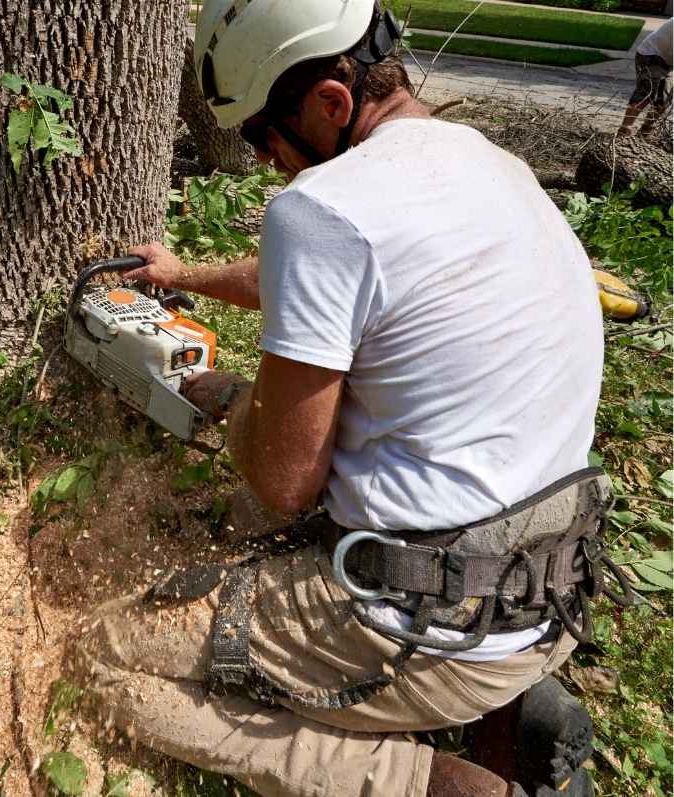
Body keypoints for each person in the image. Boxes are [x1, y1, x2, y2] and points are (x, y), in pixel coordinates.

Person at [71, 1, 633, 795]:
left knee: (106, 653)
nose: (264, 158)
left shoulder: (323, 209)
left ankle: (426, 778)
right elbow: (335, 286)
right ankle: (509, 712)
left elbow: (283, 479)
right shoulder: (486, 167)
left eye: (261, 133)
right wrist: (182, 277)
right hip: (540, 591)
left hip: (427, 621)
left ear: (330, 103)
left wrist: (237, 406)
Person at [618, 17, 672, 138]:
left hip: (667, 60)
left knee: (664, 98)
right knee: (646, 92)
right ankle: (624, 130)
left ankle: (645, 131)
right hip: (651, 54)